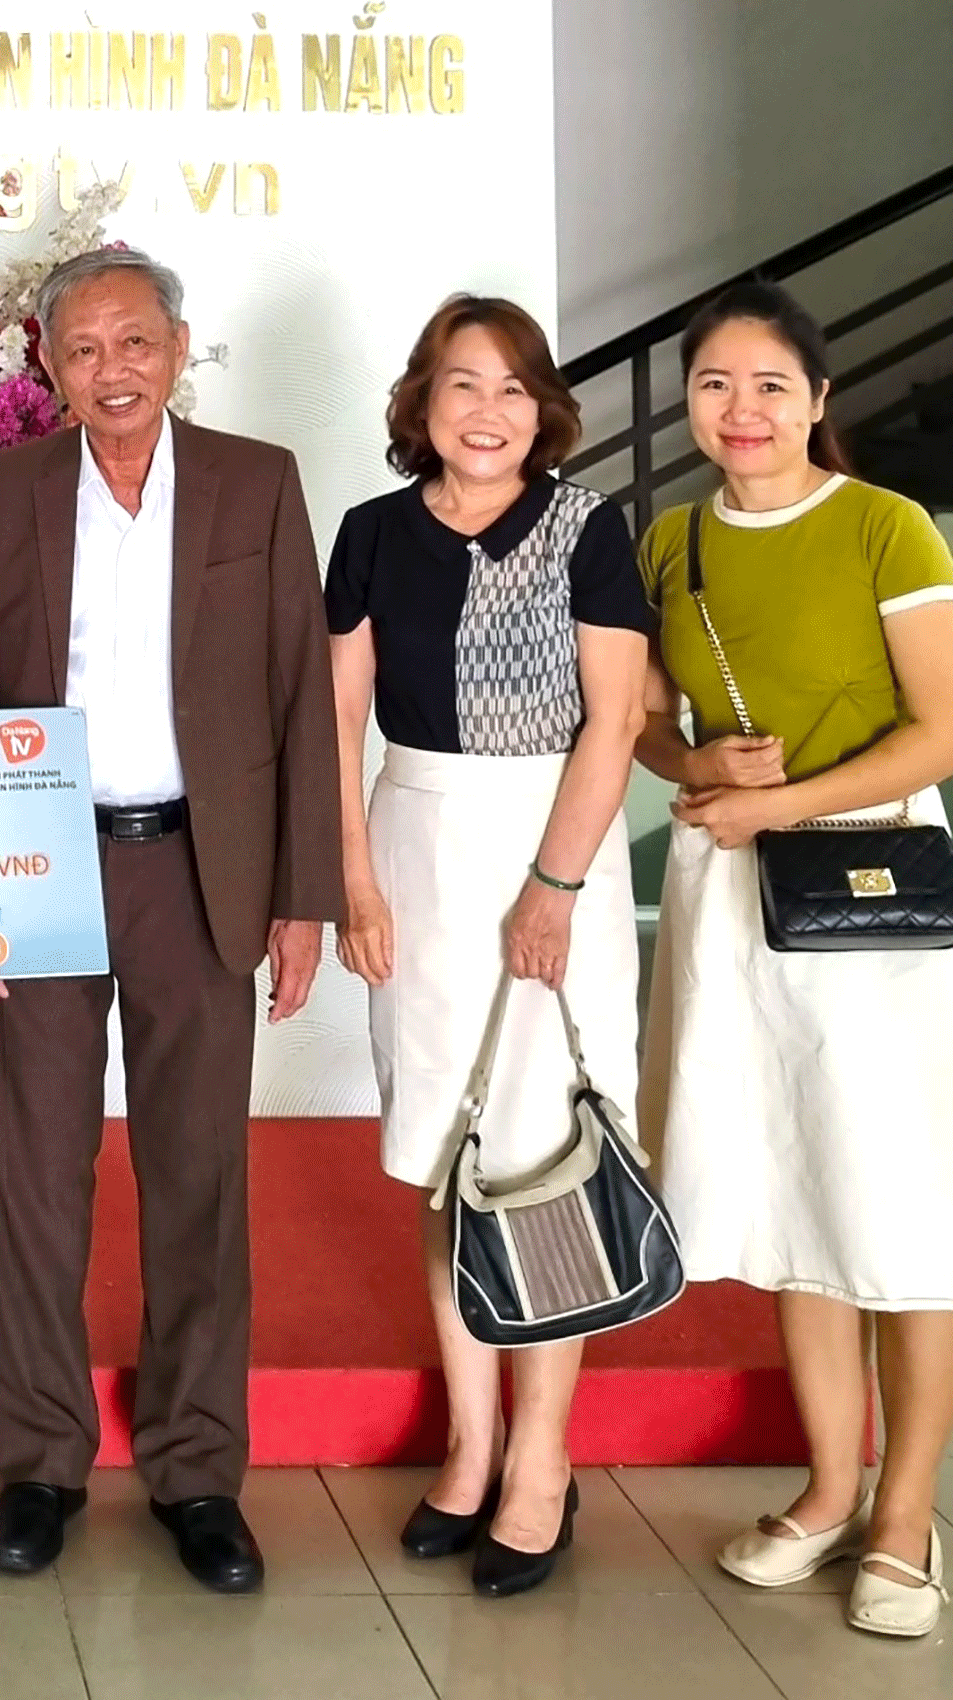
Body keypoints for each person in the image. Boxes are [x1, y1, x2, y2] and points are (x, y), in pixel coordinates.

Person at [634, 281, 953, 1638]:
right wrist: (697, 767)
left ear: (818, 399)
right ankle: (827, 1488)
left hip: (872, 884)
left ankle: (908, 1515)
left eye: (768, 385)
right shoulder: (673, 541)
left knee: (911, 1195)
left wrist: (778, 805)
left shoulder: (886, 524)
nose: (739, 411)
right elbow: (636, 722)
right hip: (735, 895)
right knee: (799, 1182)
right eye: (713, 386)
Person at [0, 247, 343, 1593]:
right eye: (84, 346)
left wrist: (303, 894)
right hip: (43, 860)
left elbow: (300, 695)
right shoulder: (5, 492)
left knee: (198, 1173)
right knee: (31, 1169)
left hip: (198, 865)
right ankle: (42, 1459)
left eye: (136, 341)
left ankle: (197, 1468)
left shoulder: (256, 480)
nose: (113, 367)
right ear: (49, 364)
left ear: (179, 346)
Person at [325, 294, 650, 1598]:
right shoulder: (370, 534)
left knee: (545, 1154)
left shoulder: (588, 526)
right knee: (445, 1151)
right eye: (464, 384)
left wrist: (556, 885)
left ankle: (542, 1461)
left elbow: (615, 723)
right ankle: (467, 1445)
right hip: (415, 837)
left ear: (544, 408)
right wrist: (352, 880)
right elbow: (340, 721)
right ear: (424, 401)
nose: (488, 411)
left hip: (550, 838)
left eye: (514, 388)